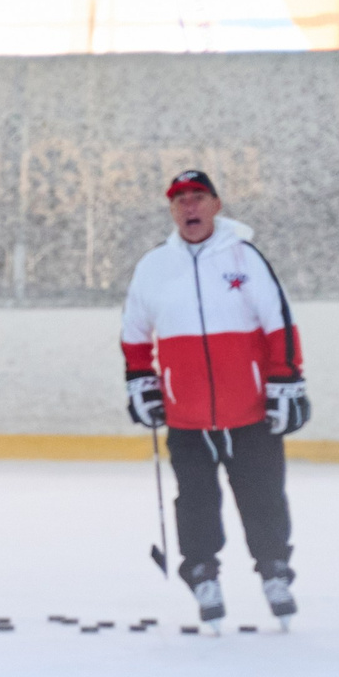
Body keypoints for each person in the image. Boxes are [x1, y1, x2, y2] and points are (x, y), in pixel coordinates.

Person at [120, 168, 309, 630]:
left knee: (263, 496)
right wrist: (141, 380)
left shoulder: (244, 257)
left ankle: (274, 571)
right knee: (196, 500)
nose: (189, 207)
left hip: (249, 410)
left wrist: (287, 380)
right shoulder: (154, 266)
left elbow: (278, 322)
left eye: (198, 197)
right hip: (185, 414)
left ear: (216, 205)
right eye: (180, 200)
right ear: (172, 210)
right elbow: (134, 330)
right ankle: (202, 573)